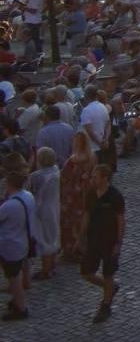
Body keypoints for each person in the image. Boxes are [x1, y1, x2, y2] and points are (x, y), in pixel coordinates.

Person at [80, 163, 123, 323]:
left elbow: (120, 220)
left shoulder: (115, 196)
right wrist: (81, 236)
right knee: (86, 272)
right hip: (93, 239)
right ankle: (111, 287)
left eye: (95, 177)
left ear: (105, 178)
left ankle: (106, 304)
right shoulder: (91, 194)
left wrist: (118, 243)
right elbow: (86, 215)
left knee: (108, 273)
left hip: (109, 241)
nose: (92, 179)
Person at [0, 170, 33, 320]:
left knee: (13, 277)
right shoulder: (28, 196)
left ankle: (21, 308)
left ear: (9, 184)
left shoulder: (9, 205)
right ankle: (17, 301)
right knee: (17, 273)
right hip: (23, 241)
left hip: (10, 246)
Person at [59, 130, 95, 263]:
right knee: (82, 223)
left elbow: (64, 177)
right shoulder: (91, 157)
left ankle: (69, 251)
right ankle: (82, 250)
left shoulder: (72, 160)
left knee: (68, 224)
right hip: (84, 194)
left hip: (71, 196)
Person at [27, 147, 60, 280]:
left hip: (42, 209)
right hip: (54, 206)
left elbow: (30, 190)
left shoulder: (37, 176)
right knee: (53, 235)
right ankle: (52, 265)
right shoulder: (56, 170)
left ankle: (46, 270)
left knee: (44, 239)